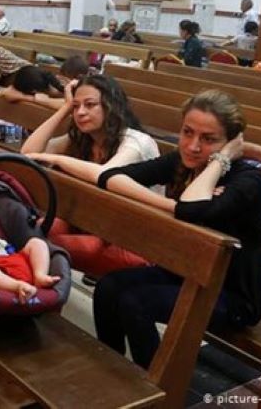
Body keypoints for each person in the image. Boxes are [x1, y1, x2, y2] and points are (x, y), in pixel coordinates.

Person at [94, 89, 261, 368]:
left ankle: (156, 392)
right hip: (184, 272)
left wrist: (220, 161)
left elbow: (191, 209)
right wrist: (167, 205)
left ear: (231, 142)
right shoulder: (181, 162)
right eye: (187, 132)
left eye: (209, 139)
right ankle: (112, 372)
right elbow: (110, 177)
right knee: (107, 288)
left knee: (134, 302)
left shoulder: (248, 180)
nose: (193, 146)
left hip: (234, 294)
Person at [23, 75, 159, 278]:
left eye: (90, 104)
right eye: (77, 107)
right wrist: (65, 108)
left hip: (134, 241)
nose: (81, 112)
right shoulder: (84, 138)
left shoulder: (136, 142)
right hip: (93, 224)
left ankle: (37, 300)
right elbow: (28, 154)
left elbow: (104, 175)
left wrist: (55, 159)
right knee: (33, 230)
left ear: (111, 106)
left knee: (43, 246)